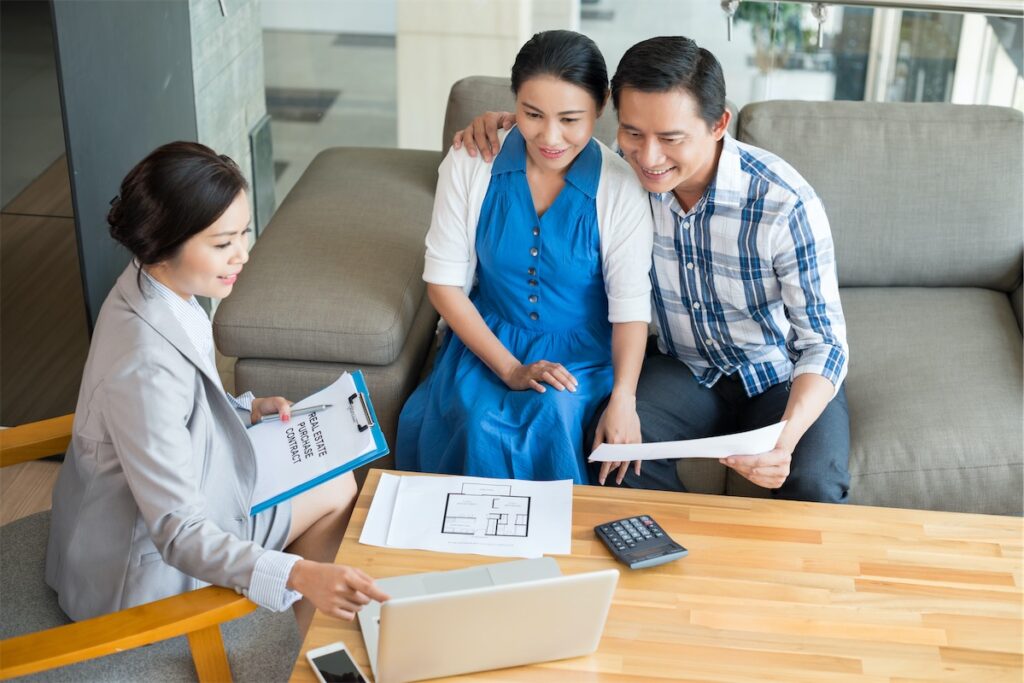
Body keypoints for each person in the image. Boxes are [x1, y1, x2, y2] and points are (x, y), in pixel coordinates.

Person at [455, 36, 850, 503]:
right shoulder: (617, 177)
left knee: (813, 482)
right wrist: (503, 126)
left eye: (671, 138)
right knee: (613, 457)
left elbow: (824, 343)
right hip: (682, 370)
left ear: (719, 123)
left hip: (776, 374)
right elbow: (552, 136)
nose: (649, 157)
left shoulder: (783, 203)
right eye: (633, 133)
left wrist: (787, 436)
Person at [45, 142, 388, 632]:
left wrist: (245, 409)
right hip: (138, 574)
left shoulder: (154, 289)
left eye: (243, 234)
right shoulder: (144, 366)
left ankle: (305, 632)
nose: (243, 255)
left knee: (331, 468)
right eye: (223, 243)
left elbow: (177, 408)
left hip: (137, 514)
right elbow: (179, 534)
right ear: (164, 240)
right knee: (335, 486)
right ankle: (302, 642)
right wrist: (300, 572)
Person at [395, 30, 653, 485]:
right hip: (489, 340)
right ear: (514, 102)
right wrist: (510, 368)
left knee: (550, 413)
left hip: (584, 353)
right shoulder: (472, 161)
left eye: (570, 119)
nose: (550, 137)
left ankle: (558, 553)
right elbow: (443, 283)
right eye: (532, 114)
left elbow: (631, 307)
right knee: (479, 424)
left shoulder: (620, 186)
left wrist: (625, 399)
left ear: (602, 104)